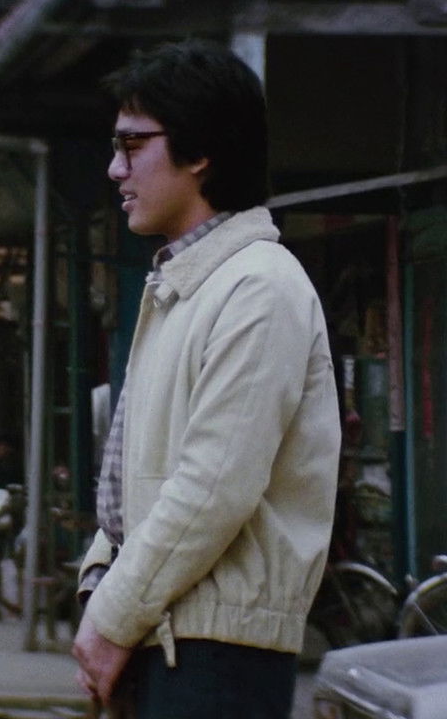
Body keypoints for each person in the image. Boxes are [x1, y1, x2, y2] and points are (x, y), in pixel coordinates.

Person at [71, 40, 340, 719]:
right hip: (167, 632)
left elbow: (213, 487)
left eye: (133, 145)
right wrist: (100, 585)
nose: (115, 168)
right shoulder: (186, 284)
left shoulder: (258, 288)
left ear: (200, 153)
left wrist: (112, 617)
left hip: (218, 654)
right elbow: (136, 481)